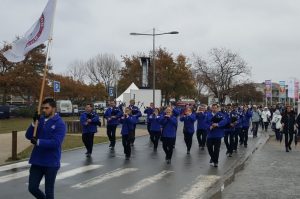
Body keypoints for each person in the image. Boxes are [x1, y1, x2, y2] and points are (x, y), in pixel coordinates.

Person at [25, 98, 66, 199]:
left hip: (51, 162)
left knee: (49, 192)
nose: (44, 110)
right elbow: (29, 136)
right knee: (32, 188)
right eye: (43, 108)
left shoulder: (60, 123)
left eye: (47, 108)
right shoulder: (41, 119)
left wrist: (38, 142)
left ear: (54, 108)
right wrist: (34, 123)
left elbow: (56, 143)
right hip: (37, 160)